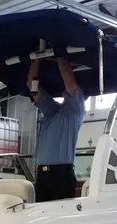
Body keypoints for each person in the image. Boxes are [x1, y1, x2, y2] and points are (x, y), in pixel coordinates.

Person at [26, 57, 87, 202]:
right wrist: (36, 60)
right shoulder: (51, 110)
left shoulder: (76, 111)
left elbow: (68, 76)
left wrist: (60, 56)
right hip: (42, 174)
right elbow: (31, 85)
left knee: (59, 218)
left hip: (61, 175)